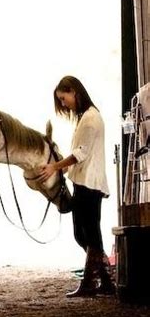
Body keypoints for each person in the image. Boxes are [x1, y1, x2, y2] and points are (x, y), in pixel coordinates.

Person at [38, 76, 115, 297]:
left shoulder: (90, 119)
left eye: (63, 98)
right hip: (85, 182)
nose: (64, 104)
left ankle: (93, 282)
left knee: (87, 234)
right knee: (86, 234)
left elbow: (80, 153)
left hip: (88, 183)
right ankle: (105, 281)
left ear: (73, 91)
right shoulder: (86, 117)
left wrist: (56, 167)